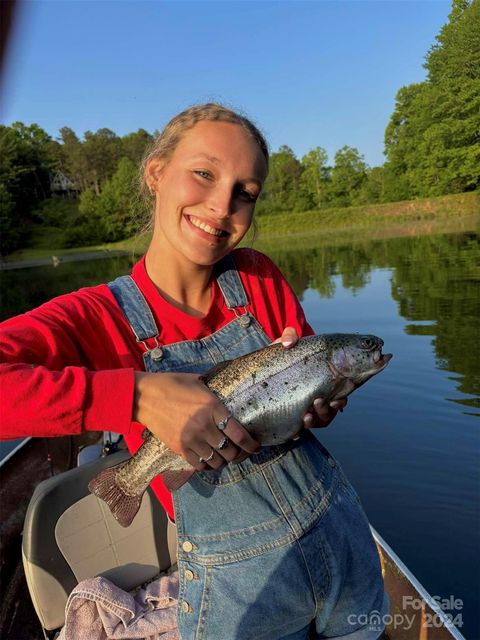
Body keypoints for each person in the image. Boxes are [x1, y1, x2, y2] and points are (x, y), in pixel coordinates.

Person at [0, 103, 388, 639]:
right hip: (242, 585)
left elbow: (302, 406)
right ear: (155, 171)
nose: (222, 204)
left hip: (342, 547)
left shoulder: (258, 276)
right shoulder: (94, 316)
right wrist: (135, 396)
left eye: (246, 192)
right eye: (203, 174)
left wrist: (317, 408)